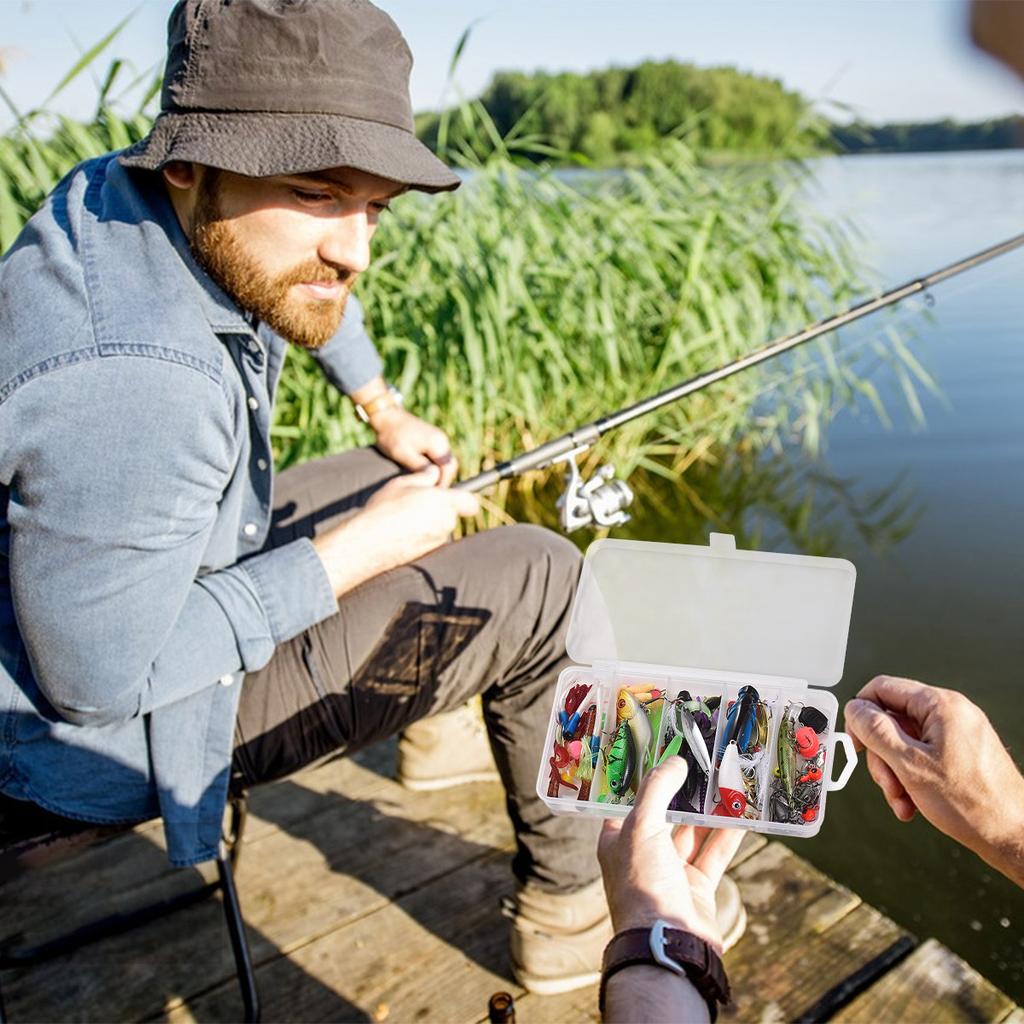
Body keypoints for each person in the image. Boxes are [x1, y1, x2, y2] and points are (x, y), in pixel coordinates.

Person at [0, 0, 618, 995]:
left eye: (374, 206)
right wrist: (353, 556)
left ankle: (449, 711)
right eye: (318, 191)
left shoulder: (134, 201)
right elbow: (98, 686)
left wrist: (379, 408)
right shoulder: (138, 380)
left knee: (402, 477)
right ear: (191, 165)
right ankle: (567, 910)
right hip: (75, 741)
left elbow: (309, 281)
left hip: (107, 601)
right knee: (543, 577)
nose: (357, 247)